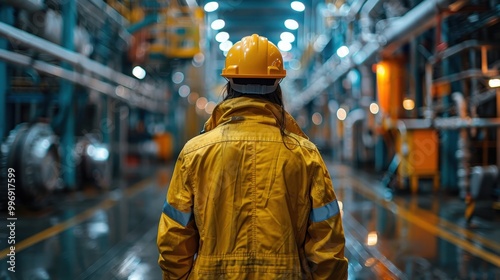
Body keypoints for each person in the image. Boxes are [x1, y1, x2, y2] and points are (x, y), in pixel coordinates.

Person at [157, 34, 348, 279]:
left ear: (229, 83)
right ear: (277, 85)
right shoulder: (304, 155)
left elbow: (174, 238)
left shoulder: (195, 152)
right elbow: (327, 241)